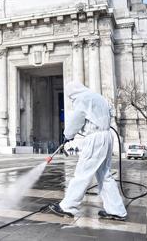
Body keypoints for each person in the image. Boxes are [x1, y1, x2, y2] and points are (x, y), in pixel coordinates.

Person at [48, 81, 127, 221]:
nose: (72, 99)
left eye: (71, 96)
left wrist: (68, 135)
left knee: (82, 174)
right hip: (107, 135)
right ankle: (117, 210)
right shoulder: (98, 97)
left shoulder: (82, 99)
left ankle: (68, 207)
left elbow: (76, 120)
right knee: (105, 175)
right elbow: (111, 112)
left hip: (95, 138)